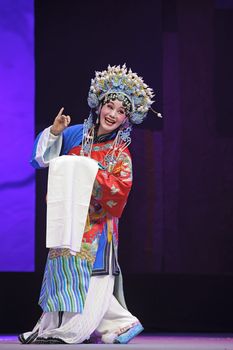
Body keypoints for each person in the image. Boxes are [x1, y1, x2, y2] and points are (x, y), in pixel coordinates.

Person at [18, 64, 161, 345]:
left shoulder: (121, 153)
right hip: (68, 220)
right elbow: (39, 160)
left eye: (121, 111)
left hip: (98, 227)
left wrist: (90, 171)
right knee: (61, 273)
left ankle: (76, 329)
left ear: (126, 119)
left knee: (91, 279)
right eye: (110, 105)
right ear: (99, 105)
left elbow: (120, 191)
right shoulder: (73, 135)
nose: (113, 114)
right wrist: (55, 133)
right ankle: (67, 326)